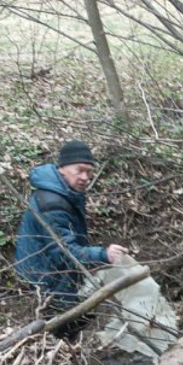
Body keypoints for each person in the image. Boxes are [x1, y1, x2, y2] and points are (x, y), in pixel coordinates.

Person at [15, 140, 127, 339]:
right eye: (80, 170)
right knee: (63, 327)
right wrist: (104, 254)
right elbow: (64, 253)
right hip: (45, 277)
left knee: (81, 315)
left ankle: (66, 354)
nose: (85, 177)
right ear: (62, 169)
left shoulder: (65, 192)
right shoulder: (52, 202)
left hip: (53, 272)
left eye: (89, 172)